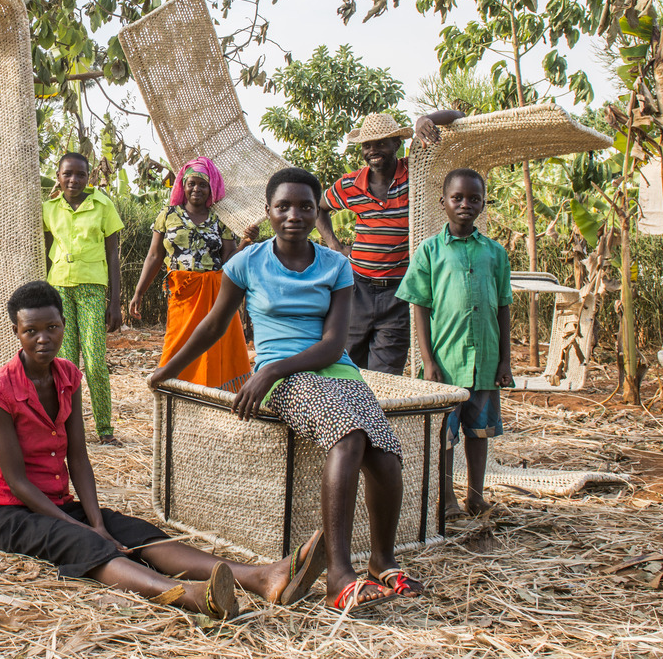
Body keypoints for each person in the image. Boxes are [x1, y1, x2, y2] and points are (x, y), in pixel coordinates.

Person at [150, 167, 423, 614]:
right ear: (269, 212)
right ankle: (339, 574)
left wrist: (270, 368)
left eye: (305, 207)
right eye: (283, 206)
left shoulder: (336, 264)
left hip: (334, 370)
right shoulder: (247, 262)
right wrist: (167, 369)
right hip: (285, 381)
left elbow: (335, 343)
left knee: (386, 452)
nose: (294, 214)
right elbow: (214, 325)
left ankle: (382, 560)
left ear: (317, 213)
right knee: (350, 436)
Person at [0, 281, 328, 616]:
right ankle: (191, 596)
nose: (42, 339)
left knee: (134, 533)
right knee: (85, 543)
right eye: (30, 331)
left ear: (64, 324)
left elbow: (79, 458)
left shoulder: (67, 376)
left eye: (51, 327)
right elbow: (18, 482)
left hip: (57, 503)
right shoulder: (0, 391)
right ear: (16, 332)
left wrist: (97, 521)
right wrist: (86, 530)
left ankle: (260, 578)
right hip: (9, 513)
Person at [396, 168, 513, 517]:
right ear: (443, 202)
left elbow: (504, 307)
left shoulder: (495, 253)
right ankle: (445, 499)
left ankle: (475, 496)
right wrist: (427, 361)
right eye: (457, 198)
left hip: (486, 361)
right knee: (444, 435)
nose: (465, 204)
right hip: (446, 361)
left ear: (482, 204)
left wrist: (505, 361)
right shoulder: (430, 250)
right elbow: (419, 306)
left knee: (480, 432)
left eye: (474, 199)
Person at [315, 109, 464, 376]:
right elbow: (319, 208)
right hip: (356, 289)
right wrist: (334, 245)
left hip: (399, 292)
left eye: (381, 143)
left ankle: (379, 416)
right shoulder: (350, 184)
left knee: (386, 373)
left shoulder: (415, 174)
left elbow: (458, 114)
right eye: (368, 145)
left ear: (397, 144)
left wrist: (425, 119)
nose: (374, 150)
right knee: (347, 367)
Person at [127, 157, 255, 389]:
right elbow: (154, 256)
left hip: (216, 291)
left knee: (215, 345)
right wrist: (139, 292)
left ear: (210, 189)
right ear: (183, 186)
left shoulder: (220, 218)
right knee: (178, 342)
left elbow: (227, 261)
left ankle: (216, 395)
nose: (196, 189)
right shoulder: (168, 215)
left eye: (202, 184)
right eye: (192, 183)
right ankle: (173, 391)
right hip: (182, 292)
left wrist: (244, 243)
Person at [42, 153, 124, 445]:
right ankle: (66, 429)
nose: (73, 180)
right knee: (65, 362)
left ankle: (105, 429)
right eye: (68, 174)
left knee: (95, 360)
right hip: (59, 289)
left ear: (89, 176)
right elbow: (45, 253)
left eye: (80, 174)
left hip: (92, 288)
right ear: (59, 175)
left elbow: (112, 254)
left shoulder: (102, 205)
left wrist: (115, 302)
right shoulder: (48, 209)